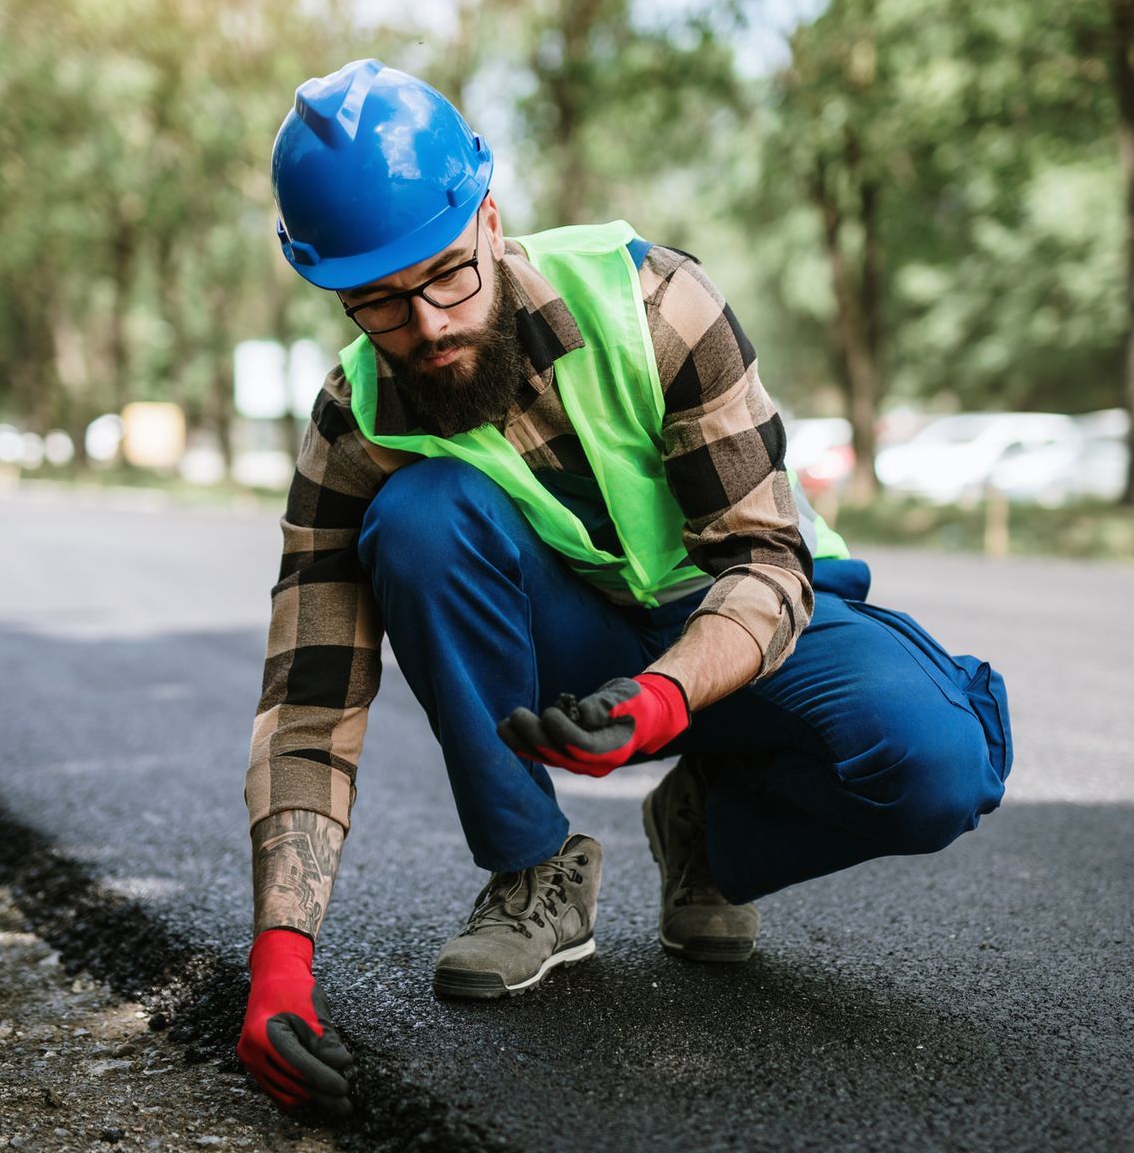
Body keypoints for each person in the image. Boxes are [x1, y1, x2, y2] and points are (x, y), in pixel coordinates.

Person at [236, 59, 1013, 1119]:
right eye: (376, 299)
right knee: (415, 520)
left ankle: (712, 824)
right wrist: (280, 960)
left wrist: (664, 697)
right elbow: (311, 699)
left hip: (750, 623)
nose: (426, 326)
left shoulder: (656, 305)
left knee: (940, 762)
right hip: (579, 642)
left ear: (491, 220)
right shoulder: (353, 419)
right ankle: (534, 870)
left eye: (447, 275)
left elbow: (766, 563)